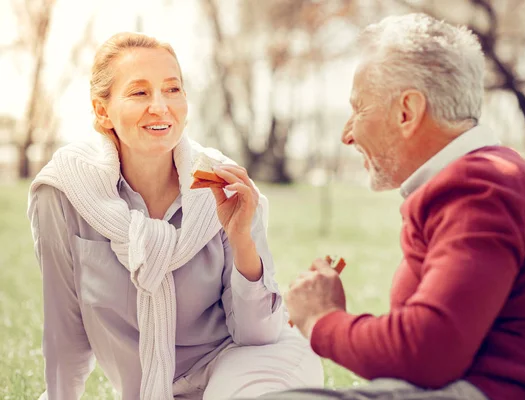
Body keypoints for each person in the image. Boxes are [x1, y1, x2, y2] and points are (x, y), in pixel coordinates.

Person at [248, 13, 525, 400]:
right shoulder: (487, 178)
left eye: (359, 108)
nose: (348, 134)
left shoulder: (481, 186)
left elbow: (427, 352)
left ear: (406, 112)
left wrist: (321, 320)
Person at [27, 32, 323, 400]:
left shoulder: (224, 185)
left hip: (250, 368)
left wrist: (241, 238)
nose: (161, 106)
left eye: (172, 89)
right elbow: (65, 331)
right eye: (139, 92)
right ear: (102, 111)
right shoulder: (65, 192)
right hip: (159, 389)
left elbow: (258, 335)